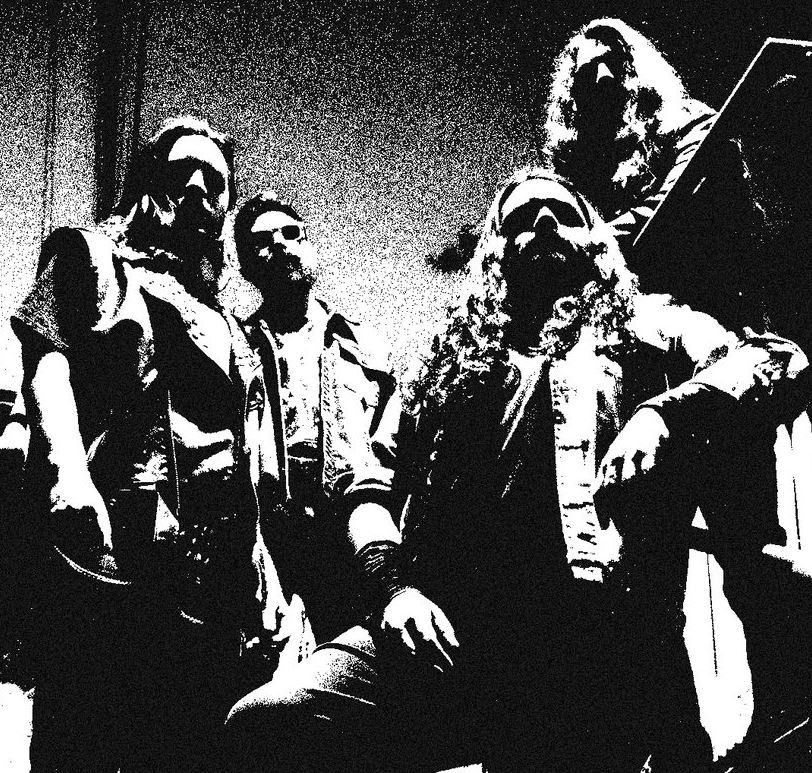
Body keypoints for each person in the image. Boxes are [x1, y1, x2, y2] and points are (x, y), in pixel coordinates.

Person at [226, 169, 807, 772]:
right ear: (496, 255)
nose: (545, 223)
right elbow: (370, 490)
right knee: (268, 722)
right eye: (522, 221)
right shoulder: (444, 361)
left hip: (594, 642)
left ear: (597, 243)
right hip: (452, 632)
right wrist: (395, 591)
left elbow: (775, 359)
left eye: (563, 214)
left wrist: (664, 414)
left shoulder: (652, 331)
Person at [13, 116, 292, 772]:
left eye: (214, 182)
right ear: (147, 188)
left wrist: (267, 575)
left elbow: (243, 463)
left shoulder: (233, 328)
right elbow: (46, 355)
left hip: (209, 595)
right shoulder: (93, 258)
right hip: (115, 562)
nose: (196, 189)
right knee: (84, 742)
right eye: (178, 174)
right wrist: (66, 468)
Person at [232, 192, 404, 641]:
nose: (281, 244)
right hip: (269, 549)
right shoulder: (235, 346)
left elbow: (392, 451)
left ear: (310, 246)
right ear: (246, 266)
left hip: (360, 544)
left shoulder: (369, 346)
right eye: (263, 241)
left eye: (292, 234)